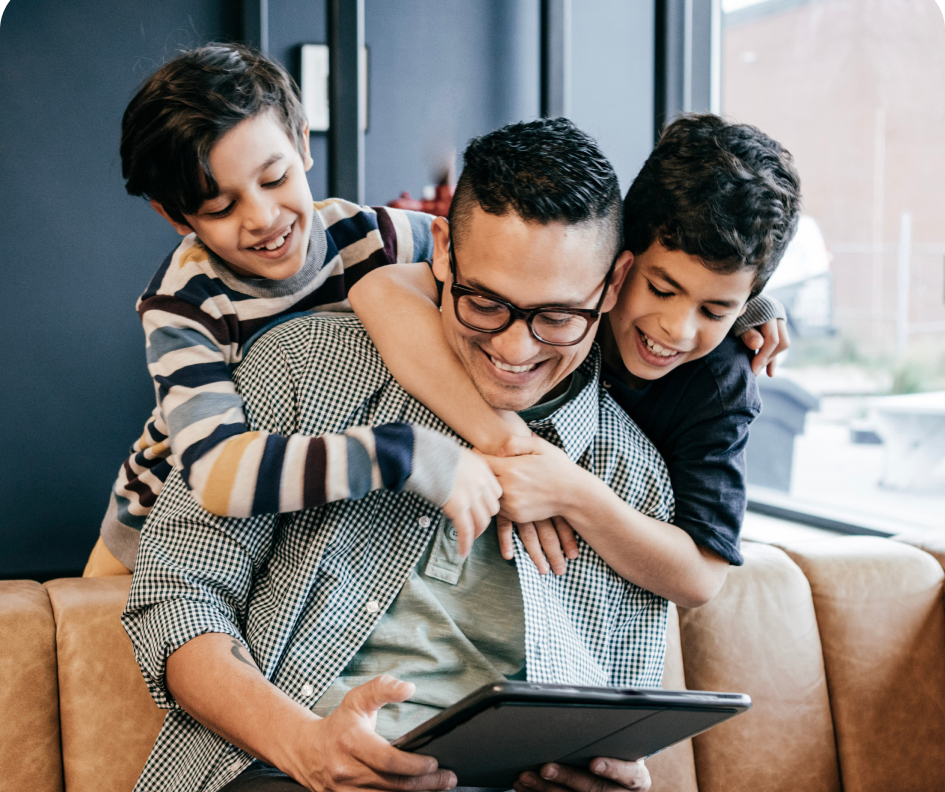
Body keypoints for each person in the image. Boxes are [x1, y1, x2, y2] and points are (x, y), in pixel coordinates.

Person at [123, 119, 667, 792]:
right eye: (483, 303)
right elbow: (175, 595)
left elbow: (627, 719)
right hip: (281, 770)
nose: (515, 350)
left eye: (557, 317)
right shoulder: (302, 367)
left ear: (612, 286)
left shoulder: (631, 482)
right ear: (440, 252)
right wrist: (303, 745)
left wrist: (612, 777)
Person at [349, 113, 801, 607]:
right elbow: (380, 287)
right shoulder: (549, 265)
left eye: (714, 310)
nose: (678, 328)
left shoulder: (719, 383)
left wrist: (571, 493)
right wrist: (509, 443)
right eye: (661, 289)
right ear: (619, 260)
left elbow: (701, 576)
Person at [84, 42, 501, 577]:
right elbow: (216, 475)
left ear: (302, 143)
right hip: (159, 526)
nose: (262, 218)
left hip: (308, 526)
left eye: (275, 178)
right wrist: (405, 453)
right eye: (220, 207)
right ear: (176, 215)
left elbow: (489, 270)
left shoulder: (377, 238)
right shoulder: (184, 302)